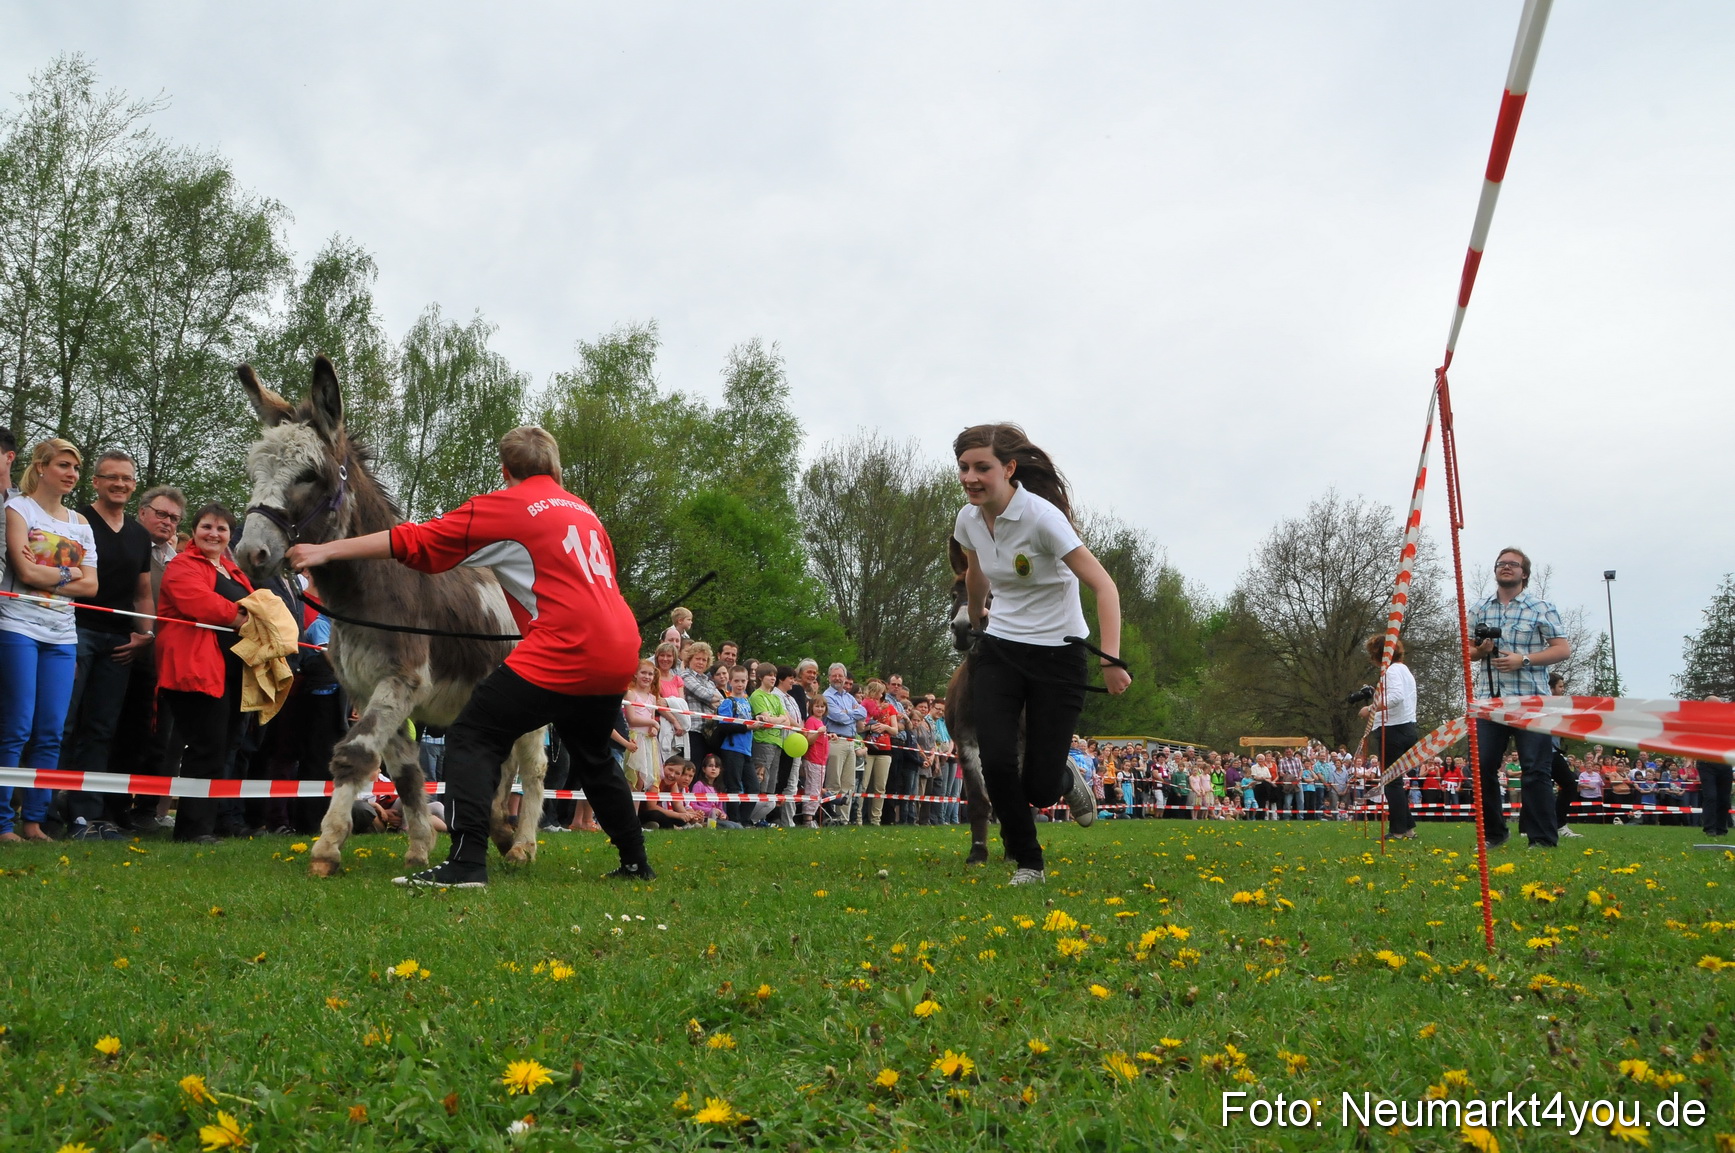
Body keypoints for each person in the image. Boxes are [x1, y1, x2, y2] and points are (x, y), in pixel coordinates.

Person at [287, 425, 648, 887]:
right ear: (557, 469)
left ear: (505, 470)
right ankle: (636, 862)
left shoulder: (507, 506)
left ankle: (465, 863)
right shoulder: (584, 512)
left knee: (471, 736)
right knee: (595, 755)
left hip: (565, 645)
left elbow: (413, 542)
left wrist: (328, 548)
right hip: (619, 644)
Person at [952, 423, 1129, 885]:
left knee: (1040, 787)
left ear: (1009, 468)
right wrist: (976, 618)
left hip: (1057, 655)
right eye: (964, 467)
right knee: (994, 759)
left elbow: (1104, 586)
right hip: (1001, 648)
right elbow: (976, 574)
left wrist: (1111, 660)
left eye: (982, 467)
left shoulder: (1042, 518)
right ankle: (1029, 862)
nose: (971, 476)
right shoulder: (968, 520)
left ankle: (1064, 780)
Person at [0, 440, 99, 842]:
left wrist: (53, 573)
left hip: (63, 634)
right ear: (41, 467)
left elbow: (93, 586)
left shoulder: (81, 523)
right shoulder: (18, 509)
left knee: (51, 731)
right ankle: (3, 824)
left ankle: (34, 821)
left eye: (76, 467)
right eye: (63, 465)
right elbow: (24, 572)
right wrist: (69, 575)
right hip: (17, 627)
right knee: (16, 727)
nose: (72, 473)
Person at [57, 451, 155, 839]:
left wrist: (144, 635)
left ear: (134, 486)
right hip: (74, 632)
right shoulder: (76, 522)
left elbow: (143, 593)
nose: (120, 484)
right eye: (111, 477)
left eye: (127, 479)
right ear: (95, 482)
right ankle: (43, 810)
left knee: (101, 729)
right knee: (62, 723)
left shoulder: (139, 535)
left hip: (119, 643)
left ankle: (87, 816)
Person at [156, 504, 254, 844]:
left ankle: (205, 825)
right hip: (195, 667)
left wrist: (255, 616)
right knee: (205, 747)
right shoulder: (182, 565)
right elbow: (198, 603)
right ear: (195, 531)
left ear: (230, 536)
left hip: (232, 669)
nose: (214, 533)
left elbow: (260, 604)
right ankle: (192, 829)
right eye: (207, 527)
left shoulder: (234, 571)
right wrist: (244, 619)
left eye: (222, 529)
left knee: (224, 747)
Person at [1468, 547, 1571, 848]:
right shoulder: (1479, 609)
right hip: (1490, 701)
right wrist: (1481, 651)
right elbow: (1468, 652)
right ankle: (1494, 834)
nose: (1506, 568)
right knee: (1482, 768)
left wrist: (1522, 660)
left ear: (1524, 573)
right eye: (1501, 564)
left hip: (1532, 702)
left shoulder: (1541, 607)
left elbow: (1562, 650)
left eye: (1513, 564)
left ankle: (1542, 839)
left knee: (1536, 769)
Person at [1357, 634, 1421, 839]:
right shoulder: (1404, 670)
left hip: (1393, 729)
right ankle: (1408, 828)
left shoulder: (1391, 671)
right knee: (1396, 781)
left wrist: (1370, 708)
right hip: (1407, 727)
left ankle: (1398, 830)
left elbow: (1395, 698)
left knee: (1391, 781)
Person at [622, 660, 663, 792]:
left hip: (648, 741)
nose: (647, 677)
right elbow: (632, 719)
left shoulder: (652, 698)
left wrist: (655, 728)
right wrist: (653, 723)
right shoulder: (631, 693)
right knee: (632, 777)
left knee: (642, 781)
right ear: (635, 674)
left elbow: (652, 720)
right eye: (643, 673)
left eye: (650, 674)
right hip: (635, 738)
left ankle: (636, 812)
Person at [679, 641, 722, 766]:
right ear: (689, 659)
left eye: (704, 660)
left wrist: (710, 698)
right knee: (693, 767)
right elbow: (702, 694)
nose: (701, 662)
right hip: (694, 730)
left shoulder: (709, 681)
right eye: (698, 659)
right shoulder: (685, 675)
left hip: (709, 733)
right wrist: (710, 698)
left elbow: (722, 702)